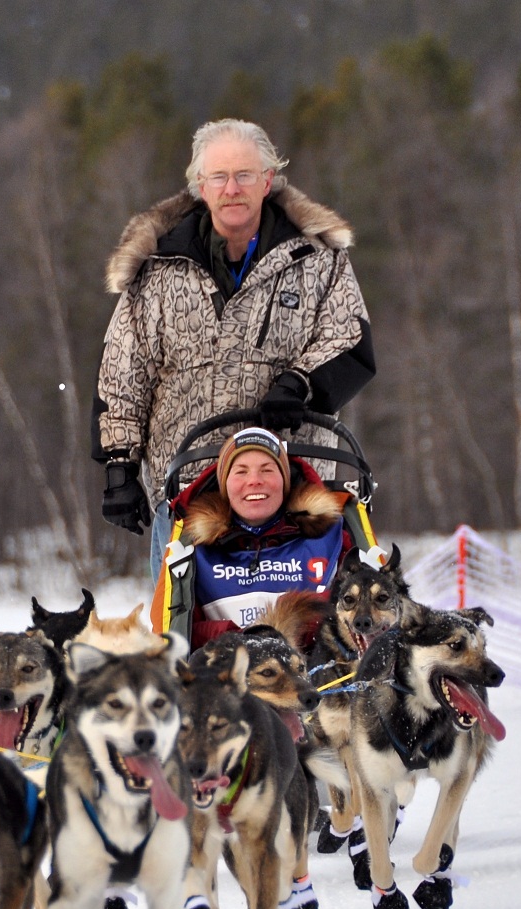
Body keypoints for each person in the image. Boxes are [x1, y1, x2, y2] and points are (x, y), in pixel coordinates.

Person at [92, 117, 375, 579]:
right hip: (188, 486)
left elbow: (349, 337)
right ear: (200, 187)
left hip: (295, 488)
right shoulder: (158, 266)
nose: (232, 189)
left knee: (305, 633)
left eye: (245, 175)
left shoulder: (318, 257)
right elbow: (124, 371)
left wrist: (300, 383)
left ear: (268, 180)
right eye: (218, 177)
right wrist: (119, 469)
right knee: (189, 635)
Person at [149, 426, 349, 651]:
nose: (254, 480)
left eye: (267, 470)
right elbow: (174, 628)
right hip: (222, 673)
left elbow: (357, 612)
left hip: (315, 676)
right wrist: (245, 639)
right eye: (241, 472)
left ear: (285, 481)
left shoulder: (331, 537)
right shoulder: (192, 545)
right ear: (225, 484)